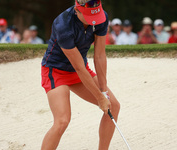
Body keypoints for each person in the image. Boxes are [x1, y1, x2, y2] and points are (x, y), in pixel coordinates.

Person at [41, 0, 120, 150]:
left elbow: (100, 56)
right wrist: (99, 98)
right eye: (89, 16)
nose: (94, 20)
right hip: (55, 71)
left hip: (79, 69)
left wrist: (103, 92)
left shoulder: (101, 18)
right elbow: (78, 67)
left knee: (113, 106)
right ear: (77, 10)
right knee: (62, 120)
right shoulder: (63, 24)